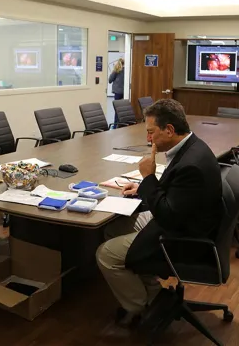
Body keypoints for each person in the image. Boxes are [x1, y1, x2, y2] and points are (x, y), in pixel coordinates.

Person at [96, 99, 223, 327]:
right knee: (114, 228)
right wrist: (144, 188)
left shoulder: (191, 164)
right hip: (185, 221)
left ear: (170, 129)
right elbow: (176, 194)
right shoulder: (192, 147)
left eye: (151, 132)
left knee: (105, 254)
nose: (148, 139)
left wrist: (147, 178)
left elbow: (167, 216)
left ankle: (140, 307)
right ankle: (154, 294)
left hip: (182, 238)